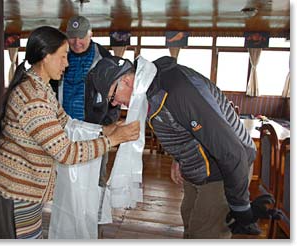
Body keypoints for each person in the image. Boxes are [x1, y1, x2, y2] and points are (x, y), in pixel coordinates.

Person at [86, 55, 280, 239]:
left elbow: (231, 151)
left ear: (126, 81)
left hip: (223, 169)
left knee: (204, 232)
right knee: (189, 217)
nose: (116, 104)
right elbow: (178, 127)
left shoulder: (178, 89)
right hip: (198, 165)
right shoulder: (149, 89)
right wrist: (178, 158)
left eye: (112, 97)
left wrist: (241, 207)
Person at [0, 26, 140, 239]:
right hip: (13, 191)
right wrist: (112, 139)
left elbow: (67, 123)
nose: (67, 63)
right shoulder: (33, 98)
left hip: (22, 189)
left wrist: (104, 130)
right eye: (64, 56)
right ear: (46, 57)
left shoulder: (42, 88)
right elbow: (66, 153)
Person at [60, 15, 116, 187]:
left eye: (81, 37)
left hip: (93, 129)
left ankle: (95, 214)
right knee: (67, 178)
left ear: (90, 34)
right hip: (65, 129)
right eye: (72, 37)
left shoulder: (104, 57)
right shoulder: (58, 54)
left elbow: (115, 96)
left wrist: (106, 123)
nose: (76, 42)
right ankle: (71, 213)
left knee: (96, 179)